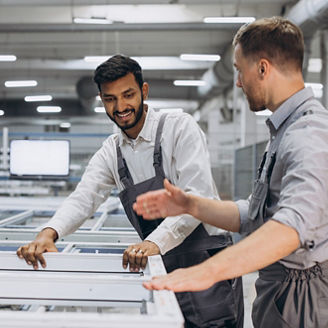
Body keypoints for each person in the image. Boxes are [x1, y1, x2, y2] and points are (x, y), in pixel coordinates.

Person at [16, 55, 244, 328]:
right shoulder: (111, 152)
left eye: (128, 95)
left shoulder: (179, 128)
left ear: (144, 91)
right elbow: (84, 197)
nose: (121, 106)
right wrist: (48, 232)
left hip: (207, 262)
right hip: (162, 265)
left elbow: (198, 196)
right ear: (102, 100)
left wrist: (153, 243)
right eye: (110, 99)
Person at [133, 16, 328, 328]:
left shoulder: (308, 135)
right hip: (282, 288)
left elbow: (290, 228)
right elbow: (255, 214)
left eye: (240, 70)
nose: (238, 81)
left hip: (301, 298)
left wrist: (205, 272)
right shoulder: (286, 130)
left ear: (263, 68)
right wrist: (191, 205)